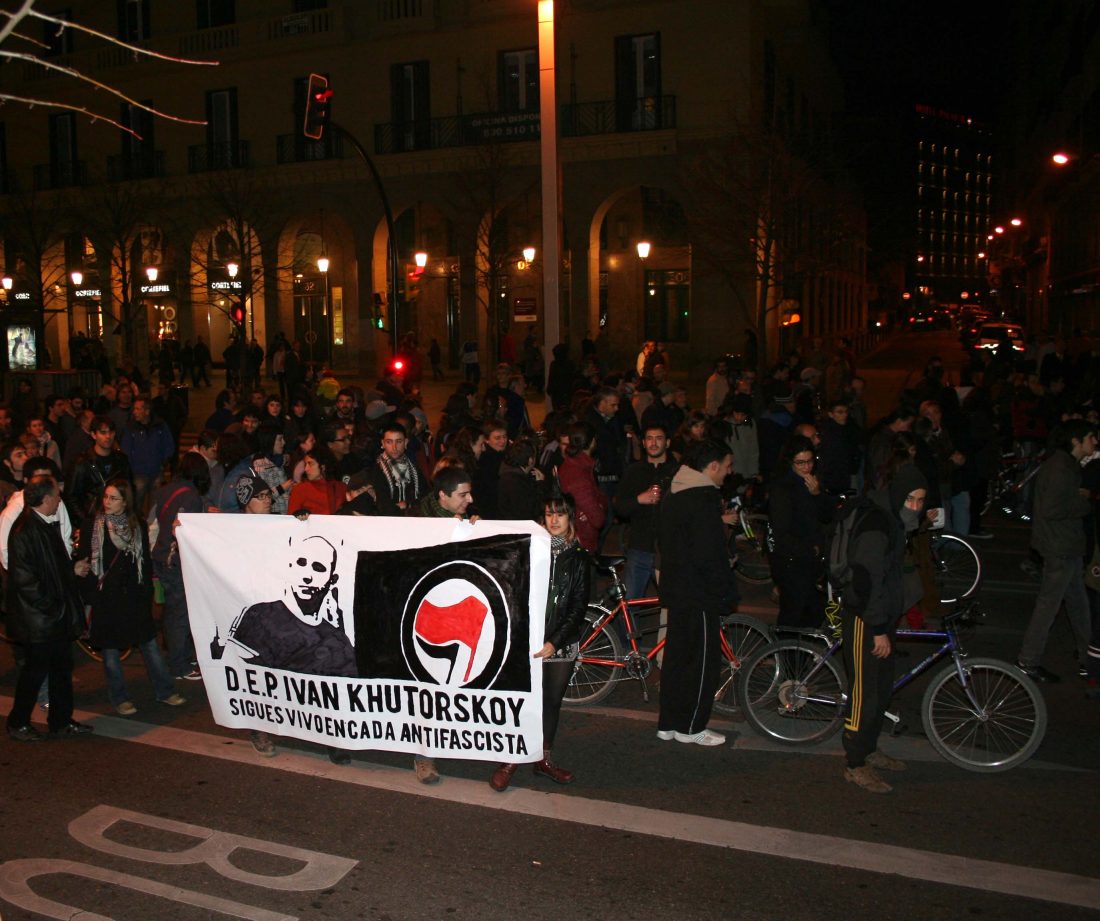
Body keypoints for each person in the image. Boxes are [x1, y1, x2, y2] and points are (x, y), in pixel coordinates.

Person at [489, 492, 590, 791]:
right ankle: (513, 758)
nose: (554, 519)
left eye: (560, 514)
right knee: (524, 700)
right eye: (549, 514)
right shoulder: (531, 548)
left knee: (550, 703)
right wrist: (474, 525)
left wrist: (555, 642)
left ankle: (543, 759)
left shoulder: (580, 558)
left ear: (570, 518)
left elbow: (577, 608)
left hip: (561, 643)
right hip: (529, 640)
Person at [841, 463, 927, 794]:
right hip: (866, 618)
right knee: (865, 694)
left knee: (882, 690)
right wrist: (877, 627)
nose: (915, 507)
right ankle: (854, 763)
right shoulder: (878, 523)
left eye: (920, 500)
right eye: (911, 499)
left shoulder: (894, 519)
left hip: (882, 617)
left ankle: (869, 748)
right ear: (897, 495)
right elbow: (866, 579)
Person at [78, 478, 187, 715]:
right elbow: (86, 561)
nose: (107, 502)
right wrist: (90, 599)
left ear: (125, 501)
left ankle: (165, 691)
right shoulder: (93, 526)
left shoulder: (135, 524)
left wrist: (145, 592)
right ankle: (120, 698)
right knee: (110, 652)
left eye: (113, 498)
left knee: (149, 646)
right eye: (105, 497)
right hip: (106, 599)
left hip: (133, 597)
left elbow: (144, 563)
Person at [655, 440, 738, 746]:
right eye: (727, 466)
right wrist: (725, 591)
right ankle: (691, 727)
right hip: (699, 593)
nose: (729, 473)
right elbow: (709, 554)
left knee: (676, 659)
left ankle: (668, 724)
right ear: (712, 466)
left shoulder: (675, 490)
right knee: (702, 663)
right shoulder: (703, 498)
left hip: (677, 588)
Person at [5, 476, 94, 741]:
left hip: (50, 616)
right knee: (35, 672)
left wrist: (70, 570)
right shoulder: (25, 531)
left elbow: (50, 570)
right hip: (41, 619)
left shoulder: (41, 525)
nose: (59, 499)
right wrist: (53, 605)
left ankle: (61, 720)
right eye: (56, 495)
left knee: (60, 670)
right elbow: (26, 581)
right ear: (45, 499)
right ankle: (18, 722)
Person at [1016, 421, 1097, 683]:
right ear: (1075, 441)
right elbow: (1052, 508)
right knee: (1049, 605)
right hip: (1059, 547)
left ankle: (1089, 657)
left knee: (1078, 603)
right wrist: (1084, 501)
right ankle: (1028, 660)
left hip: (1066, 546)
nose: (1094, 442)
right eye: (1089, 437)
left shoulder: (1063, 465)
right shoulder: (1061, 468)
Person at [409, 465, 475, 783]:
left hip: (453, 610)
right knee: (426, 685)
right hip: (424, 615)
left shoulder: (460, 520)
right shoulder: (416, 522)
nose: (470, 499)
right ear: (443, 496)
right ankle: (424, 756)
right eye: (463, 494)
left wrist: (475, 534)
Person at [769, 435, 833, 628]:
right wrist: (809, 549)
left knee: (815, 611)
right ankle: (786, 654)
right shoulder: (782, 488)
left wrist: (817, 494)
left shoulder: (813, 481)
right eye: (800, 463)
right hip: (791, 561)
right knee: (793, 613)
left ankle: (805, 654)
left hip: (811, 561)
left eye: (810, 461)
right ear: (790, 461)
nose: (807, 467)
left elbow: (826, 515)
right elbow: (782, 532)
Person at [614, 424, 677, 601]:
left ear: (668, 442)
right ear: (643, 443)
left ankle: (670, 631)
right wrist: (639, 500)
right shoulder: (633, 471)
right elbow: (619, 508)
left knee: (673, 602)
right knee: (631, 602)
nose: (654, 443)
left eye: (659, 438)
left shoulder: (677, 472)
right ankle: (628, 630)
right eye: (649, 438)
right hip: (639, 548)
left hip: (669, 549)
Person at [556, 421, 608, 553]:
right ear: (592, 442)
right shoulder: (577, 472)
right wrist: (597, 508)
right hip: (580, 543)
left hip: (579, 538)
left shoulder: (578, 466)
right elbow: (597, 519)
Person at [367, 422, 425, 514]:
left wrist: (407, 505)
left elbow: (426, 495)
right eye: (389, 442)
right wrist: (408, 506)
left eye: (399, 441)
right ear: (383, 443)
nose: (394, 447)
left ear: (406, 442)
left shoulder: (413, 467)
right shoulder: (376, 470)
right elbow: (383, 506)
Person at [288, 449, 347, 516]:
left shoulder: (341, 488)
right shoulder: (300, 489)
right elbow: (291, 519)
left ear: (323, 466)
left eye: (310, 464)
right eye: (305, 464)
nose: (306, 469)